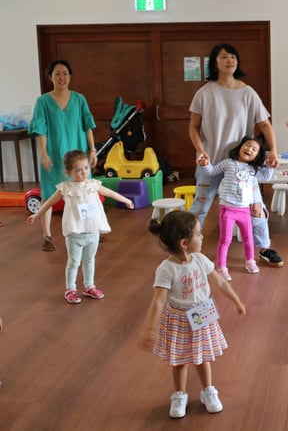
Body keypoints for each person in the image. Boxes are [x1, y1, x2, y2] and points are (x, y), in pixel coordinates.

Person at [141, 211, 246, 419]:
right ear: (183, 242)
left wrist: (236, 300)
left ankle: (208, 390)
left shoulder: (200, 259)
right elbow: (159, 300)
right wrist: (149, 328)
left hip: (202, 315)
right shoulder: (167, 269)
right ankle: (180, 395)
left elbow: (220, 282)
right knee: (179, 360)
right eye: (199, 234)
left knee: (203, 356)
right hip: (178, 319)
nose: (203, 237)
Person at [188, 43, 283, 268]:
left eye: (233, 57)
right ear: (215, 62)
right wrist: (201, 150)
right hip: (210, 162)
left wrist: (274, 151)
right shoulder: (204, 92)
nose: (230, 60)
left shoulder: (248, 93)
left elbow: (265, 124)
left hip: (243, 166)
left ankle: (264, 248)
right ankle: (189, 251)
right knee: (200, 207)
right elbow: (193, 126)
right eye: (223, 57)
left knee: (256, 207)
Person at [26, 150, 135, 304]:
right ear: (68, 171)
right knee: (73, 261)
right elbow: (49, 202)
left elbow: (110, 193)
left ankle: (89, 286)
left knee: (90, 260)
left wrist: (126, 200)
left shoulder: (93, 185)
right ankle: (70, 289)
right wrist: (36, 215)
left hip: (92, 230)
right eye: (78, 169)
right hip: (75, 232)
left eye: (86, 168)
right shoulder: (65, 188)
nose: (84, 172)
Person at [29, 60, 98, 252]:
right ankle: (47, 236)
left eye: (65, 73)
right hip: (54, 153)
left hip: (78, 154)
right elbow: (40, 129)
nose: (62, 77)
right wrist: (43, 154)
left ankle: (89, 231)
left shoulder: (79, 99)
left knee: (84, 192)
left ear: (70, 76)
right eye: (57, 73)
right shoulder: (43, 101)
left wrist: (92, 150)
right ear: (50, 77)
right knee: (49, 193)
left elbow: (87, 126)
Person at [197, 136, 273, 278]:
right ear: (240, 147)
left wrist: (269, 166)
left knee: (248, 238)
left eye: (254, 149)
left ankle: (250, 261)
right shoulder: (228, 163)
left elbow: (267, 178)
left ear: (256, 156)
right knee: (225, 240)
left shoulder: (253, 170)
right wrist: (205, 164)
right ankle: (221, 267)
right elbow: (212, 171)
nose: (249, 149)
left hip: (244, 210)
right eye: (247, 145)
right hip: (228, 209)